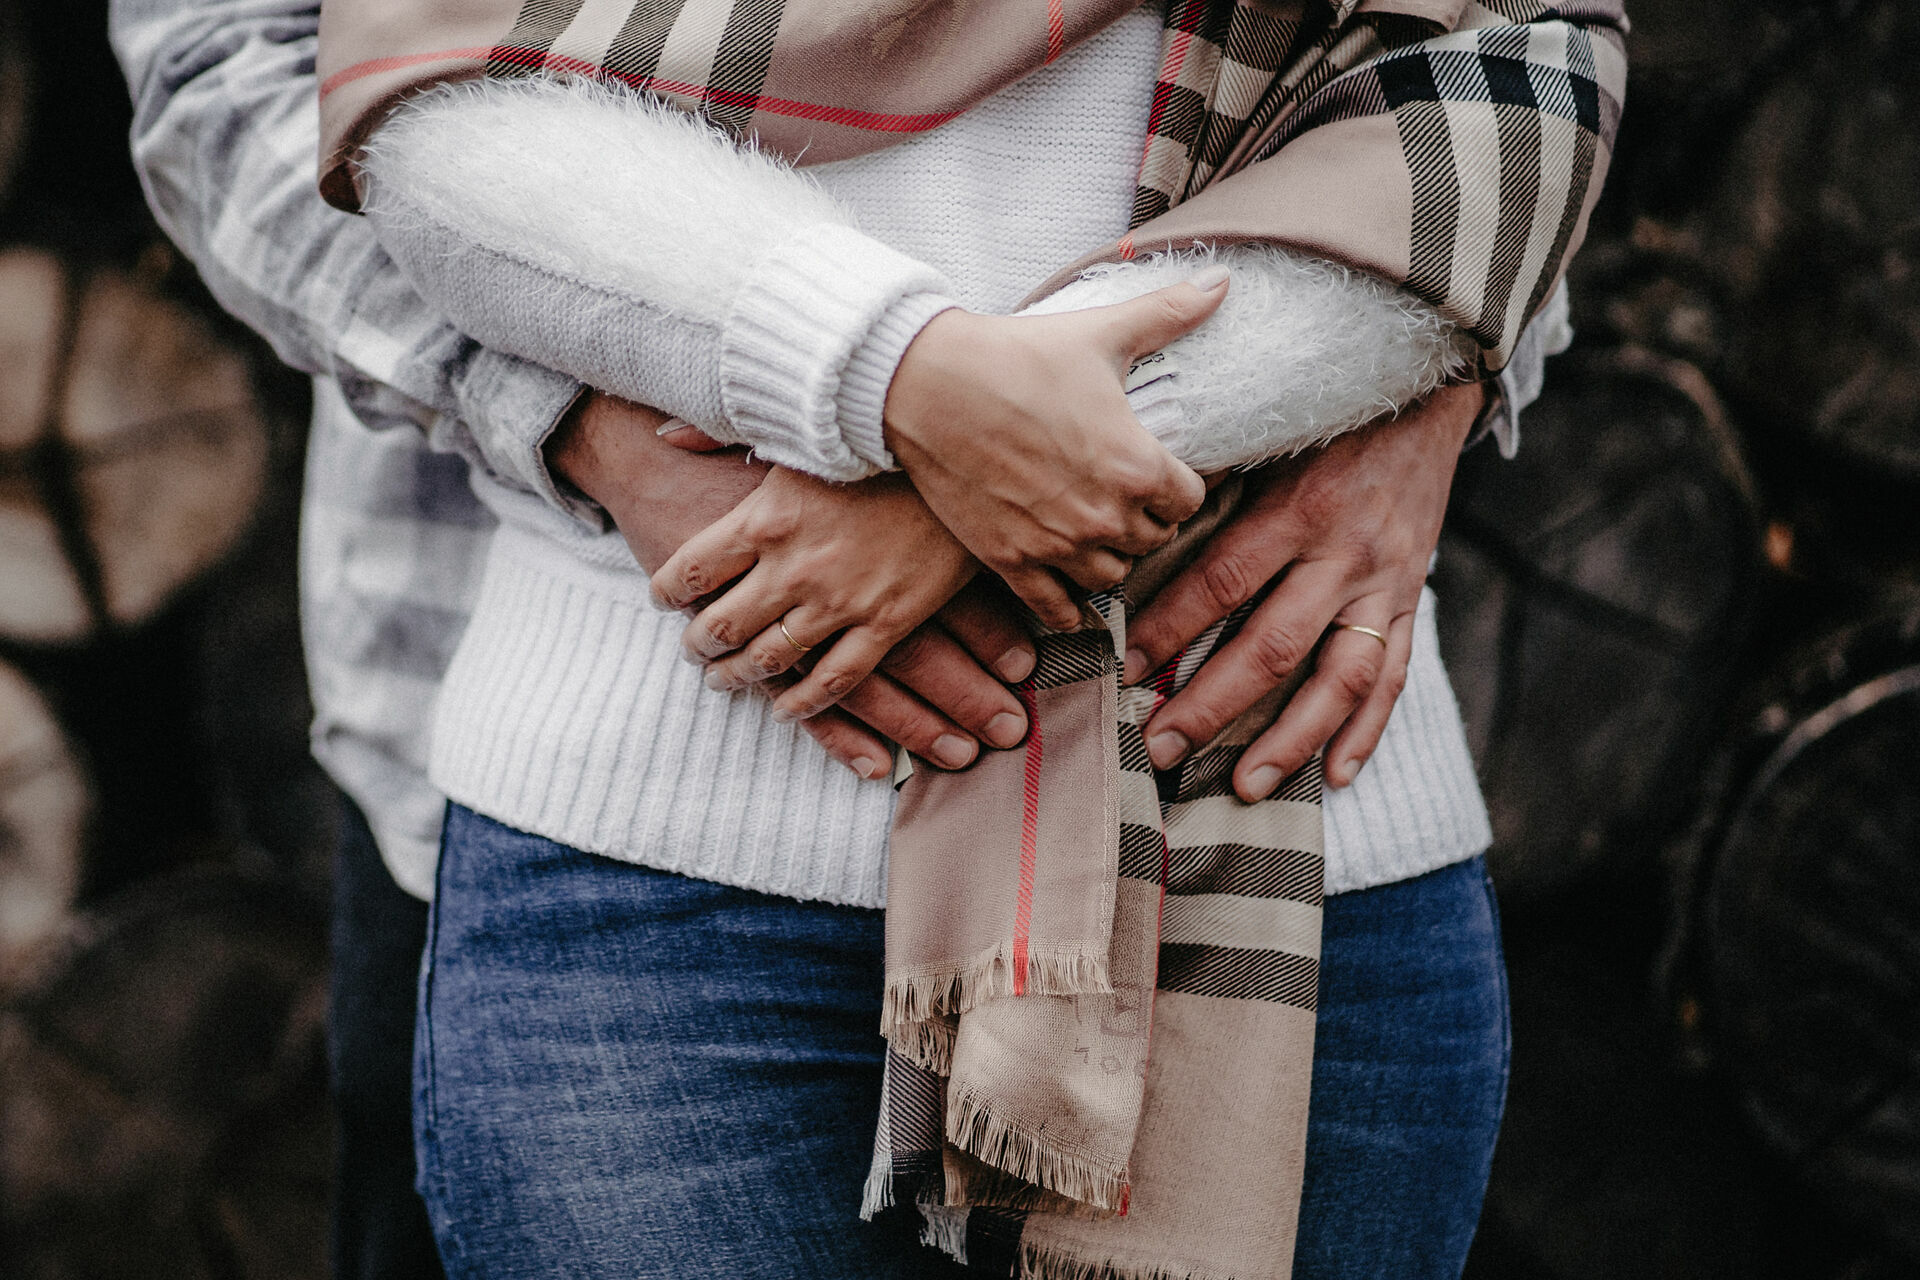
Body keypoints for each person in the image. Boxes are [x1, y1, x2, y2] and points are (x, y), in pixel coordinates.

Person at [110, 0, 1612, 1276]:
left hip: (1272, 814)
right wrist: (858, 378)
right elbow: (343, 69)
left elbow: (1512, 91)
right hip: (657, 839)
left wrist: (1423, 366)